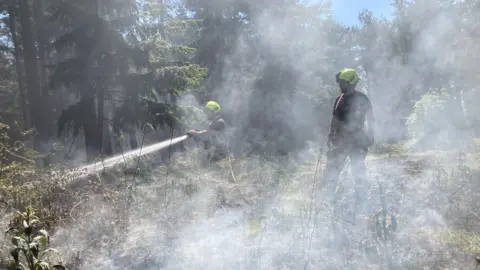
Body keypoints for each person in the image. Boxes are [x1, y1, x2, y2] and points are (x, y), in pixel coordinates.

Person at [322, 68, 375, 216]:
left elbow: (371, 118)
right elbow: (335, 119)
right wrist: (330, 135)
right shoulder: (339, 100)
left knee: (358, 173)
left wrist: (371, 134)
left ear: (350, 82)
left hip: (358, 143)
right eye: (340, 83)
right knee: (331, 172)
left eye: (342, 83)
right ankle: (328, 203)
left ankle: (362, 205)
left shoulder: (362, 99)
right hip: (341, 143)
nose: (340, 86)